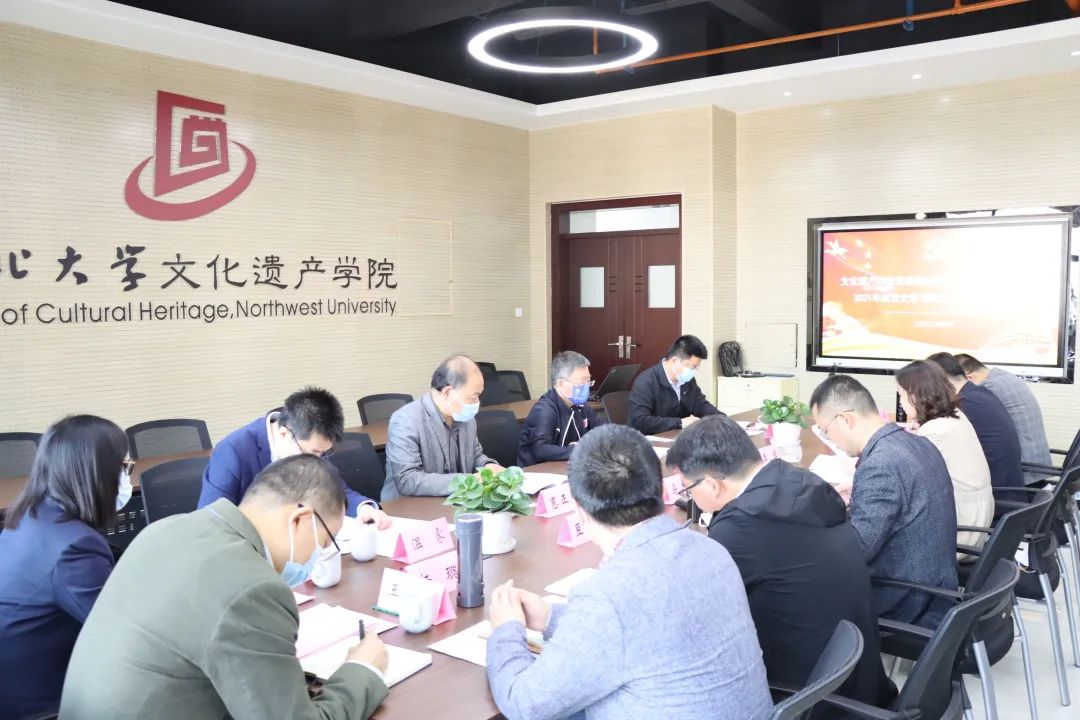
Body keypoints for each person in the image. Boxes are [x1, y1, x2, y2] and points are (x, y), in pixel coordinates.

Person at [60, 455, 389, 720]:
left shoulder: (166, 529)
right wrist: (362, 670)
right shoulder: (254, 588)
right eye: (325, 542)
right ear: (299, 520)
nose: (319, 555)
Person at [485, 425, 773, 720]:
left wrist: (506, 629)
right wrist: (549, 617)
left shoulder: (608, 596)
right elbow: (644, 630)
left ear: (579, 508)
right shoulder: (711, 550)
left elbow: (523, 703)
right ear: (660, 489)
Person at [666, 415, 896, 711]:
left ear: (712, 485)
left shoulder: (740, 529)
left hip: (807, 700)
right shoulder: (801, 481)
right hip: (856, 683)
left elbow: (691, 617)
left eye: (688, 489)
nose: (689, 497)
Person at [0, 416, 130, 720]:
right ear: (97, 473)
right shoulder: (76, 547)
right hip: (44, 703)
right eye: (124, 467)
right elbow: (125, 633)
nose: (126, 476)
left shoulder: (29, 516)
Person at [809, 374, 958, 627]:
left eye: (825, 431)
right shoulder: (918, 443)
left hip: (906, 601)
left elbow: (857, 550)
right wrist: (858, 494)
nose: (829, 438)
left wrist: (820, 520)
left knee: (800, 589)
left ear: (845, 419)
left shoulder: (880, 464)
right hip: (937, 584)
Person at [197, 386, 388, 526]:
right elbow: (211, 520)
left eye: (324, 452)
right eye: (314, 453)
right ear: (284, 434)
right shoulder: (232, 452)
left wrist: (364, 508)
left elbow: (335, 489)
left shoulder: (310, 444)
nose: (319, 459)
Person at [896, 361, 994, 556]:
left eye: (901, 395)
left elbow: (907, 482)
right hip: (977, 519)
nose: (901, 402)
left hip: (961, 531)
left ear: (914, 395)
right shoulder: (955, 416)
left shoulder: (934, 432)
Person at [383, 355, 503, 499]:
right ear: (447, 392)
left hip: (456, 501)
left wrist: (488, 466)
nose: (477, 403)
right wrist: (470, 480)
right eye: (473, 397)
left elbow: (475, 456)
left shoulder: (465, 418)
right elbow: (408, 480)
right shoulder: (405, 420)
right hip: (409, 506)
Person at [927, 352, 1024, 491]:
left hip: (993, 491)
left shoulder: (966, 403)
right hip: (1006, 484)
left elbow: (941, 445)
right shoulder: (979, 393)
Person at [955, 353, 1053, 485]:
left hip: (1021, 469)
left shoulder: (986, 389)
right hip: (1037, 460)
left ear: (968, 378)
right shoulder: (1006, 376)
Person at [518, 350, 604, 466]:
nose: (586, 387)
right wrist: (577, 450)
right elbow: (540, 450)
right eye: (582, 382)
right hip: (538, 471)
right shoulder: (544, 410)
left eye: (588, 381)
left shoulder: (581, 406)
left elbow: (604, 431)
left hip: (570, 468)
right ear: (561, 383)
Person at [628, 334, 722, 434]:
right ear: (675, 361)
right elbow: (640, 421)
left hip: (677, 436)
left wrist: (722, 420)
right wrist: (680, 423)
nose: (694, 371)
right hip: (648, 439)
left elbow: (701, 405)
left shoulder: (687, 380)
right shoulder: (647, 381)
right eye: (693, 367)